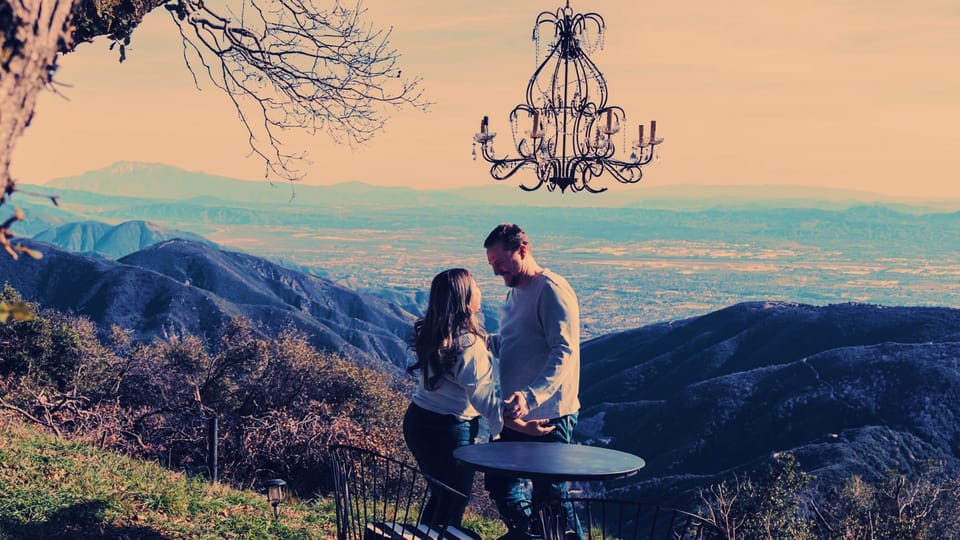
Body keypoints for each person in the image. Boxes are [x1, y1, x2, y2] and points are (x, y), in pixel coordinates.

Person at [403, 268, 553, 529]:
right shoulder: (469, 345)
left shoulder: (438, 334)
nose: (481, 290)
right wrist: (522, 426)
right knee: (451, 504)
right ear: (465, 298)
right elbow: (485, 401)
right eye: (476, 286)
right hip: (447, 430)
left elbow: (486, 346)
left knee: (440, 497)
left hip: (418, 422)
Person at [483, 223, 583, 540]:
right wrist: (477, 341)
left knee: (551, 496)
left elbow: (564, 350)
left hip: (550, 412)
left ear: (523, 250)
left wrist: (531, 395)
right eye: (492, 264)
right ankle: (532, 536)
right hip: (519, 412)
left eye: (500, 262)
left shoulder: (551, 289)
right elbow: (514, 343)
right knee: (499, 482)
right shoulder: (516, 292)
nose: (496, 271)